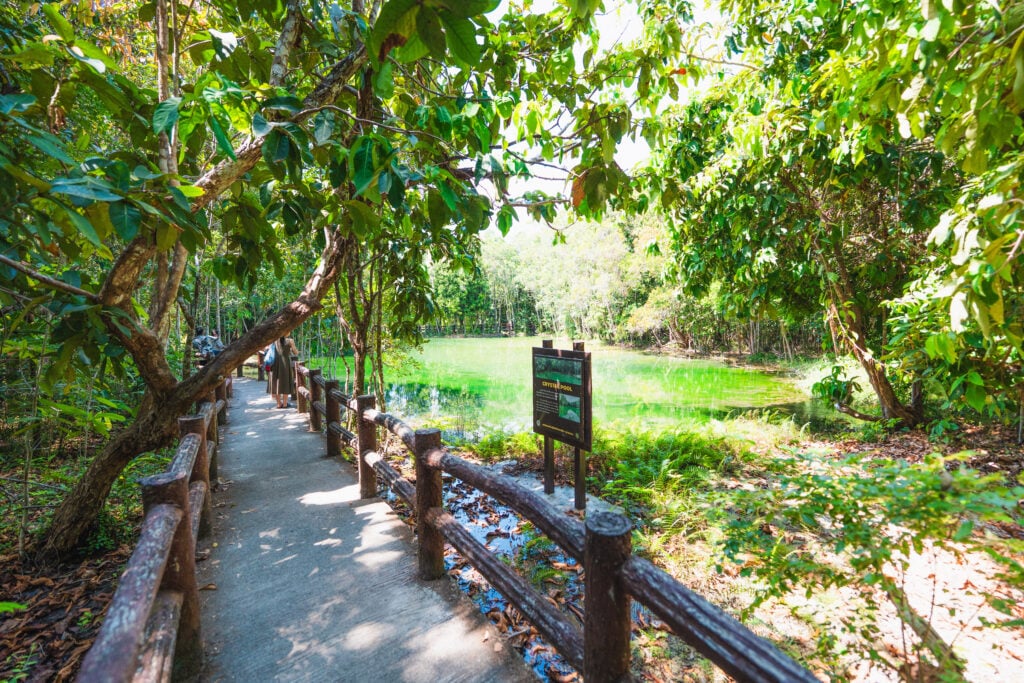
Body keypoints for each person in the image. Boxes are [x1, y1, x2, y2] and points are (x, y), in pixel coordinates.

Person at [265, 336, 298, 408]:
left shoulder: (274, 340)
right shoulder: (290, 341)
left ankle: (279, 403)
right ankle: (285, 403)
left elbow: (266, 349)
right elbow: (295, 352)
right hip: (285, 364)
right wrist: (292, 349)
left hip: (274, 364)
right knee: (285, 382)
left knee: (276, 382)